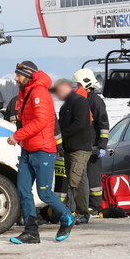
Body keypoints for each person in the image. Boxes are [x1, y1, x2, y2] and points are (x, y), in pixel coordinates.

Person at [6, 61, 75, 244]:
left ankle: (67, 217)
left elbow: (41, 122)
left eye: (19, 75)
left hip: (43, 150)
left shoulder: (38, 93)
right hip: (28, 149)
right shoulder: (26, 92)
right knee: (22, 189)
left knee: (44, 193)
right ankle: (31, 231)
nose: (15, 78)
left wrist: (18, 135)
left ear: (28, 75)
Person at [52, 79, 93, 224]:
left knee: (76, 180)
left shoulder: (80, 102)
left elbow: (80, 124)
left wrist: (62, 135)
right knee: (72, 180)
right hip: (69, 149)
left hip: (80, 148)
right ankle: (75, 211)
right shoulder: (64, 107)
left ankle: (83, 213)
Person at [72, 68, 109, 214]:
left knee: (93, 180)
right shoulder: (79, 101)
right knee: (81, 179)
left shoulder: (95, 101)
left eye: (78, 85)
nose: (76, 88)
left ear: (86, 84)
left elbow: (103, 125)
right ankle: (83, 205)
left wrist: (102, 145)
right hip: (81, 147)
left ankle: (94, 207)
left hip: (94, 147)